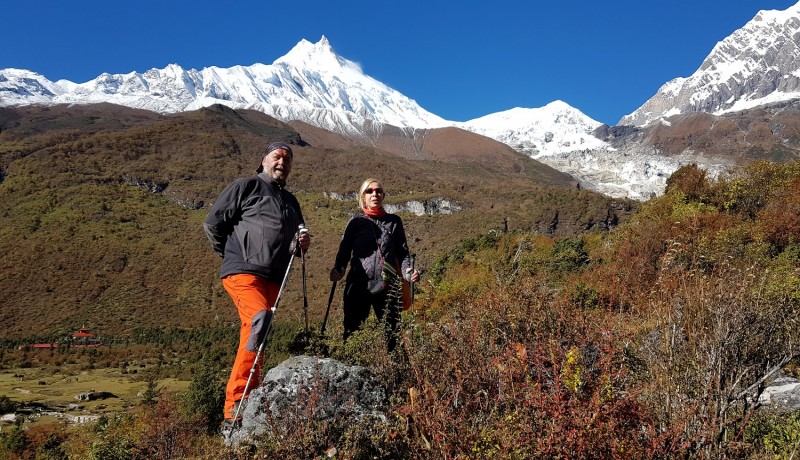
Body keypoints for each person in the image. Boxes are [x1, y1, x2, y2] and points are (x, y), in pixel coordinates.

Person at [204, 141, 311, 423]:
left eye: (287, 159)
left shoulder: (291, 201)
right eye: (277, 157)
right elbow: (213, 223)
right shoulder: (247, 186)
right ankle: (235, 402)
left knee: (255, 334)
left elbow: (294, 243)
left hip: (273, 278)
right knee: (258, 320)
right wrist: (231, 254)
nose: (282, 163)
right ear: (264, 160)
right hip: (243, 272)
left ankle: (246, 396)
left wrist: (301, 244)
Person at [329, 178, 420, 353]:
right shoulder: (354, 223)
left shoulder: (394, 222)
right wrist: (338, 269)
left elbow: (402, 253)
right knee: (352, 332)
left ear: (383, 195)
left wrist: (408, 273)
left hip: (386, 285)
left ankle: (401, 377)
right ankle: (349, 375)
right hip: (358, 285)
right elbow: (344, 251)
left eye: (378, 191)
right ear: (363, 197)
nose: (374, 194)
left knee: (393, 335)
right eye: (369, 191)